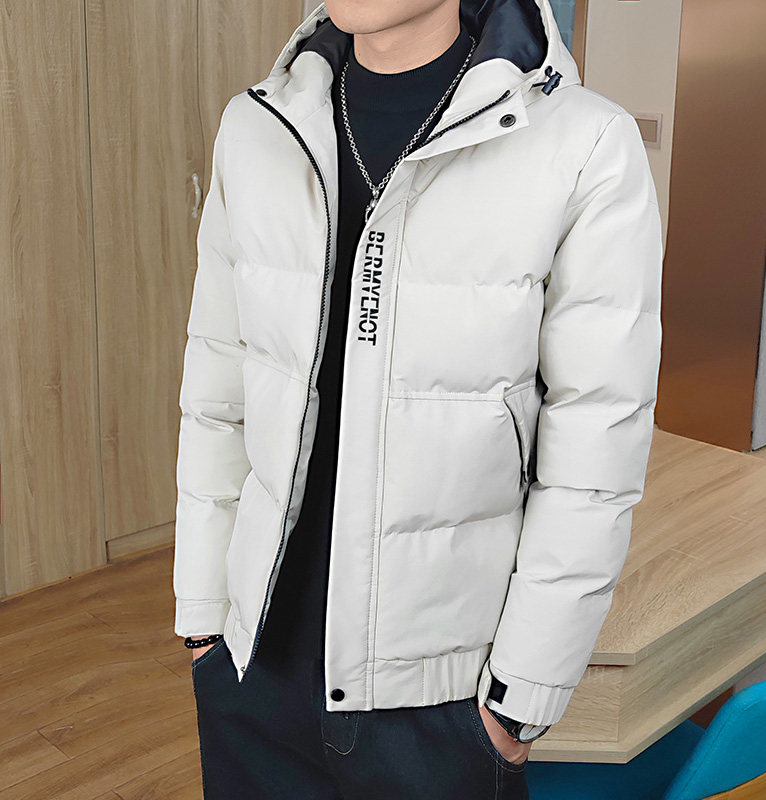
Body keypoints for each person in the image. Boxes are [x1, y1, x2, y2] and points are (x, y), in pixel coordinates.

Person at [172, 0, 663, 797]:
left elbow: (595, 451)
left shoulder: (583, 146)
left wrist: (517, 704)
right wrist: (202, 617)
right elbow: (216, 392)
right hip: (253, 669)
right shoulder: (256, 128)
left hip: (439, 706)